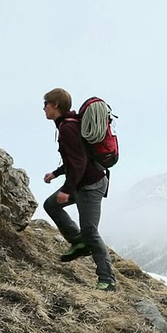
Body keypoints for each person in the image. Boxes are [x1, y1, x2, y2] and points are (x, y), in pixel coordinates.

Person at [42, 88, 116, 292]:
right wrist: (56, 174)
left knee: (91, 231)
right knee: (51, 205)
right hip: (84, 181)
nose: (43, 108)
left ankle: (107, 279)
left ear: (56, 105)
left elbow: (79, 162)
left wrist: (67, 188)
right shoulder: (68, 125)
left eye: (46, 103)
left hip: (91, 185)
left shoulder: (67, 128)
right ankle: (78, 242)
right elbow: (74, 158)